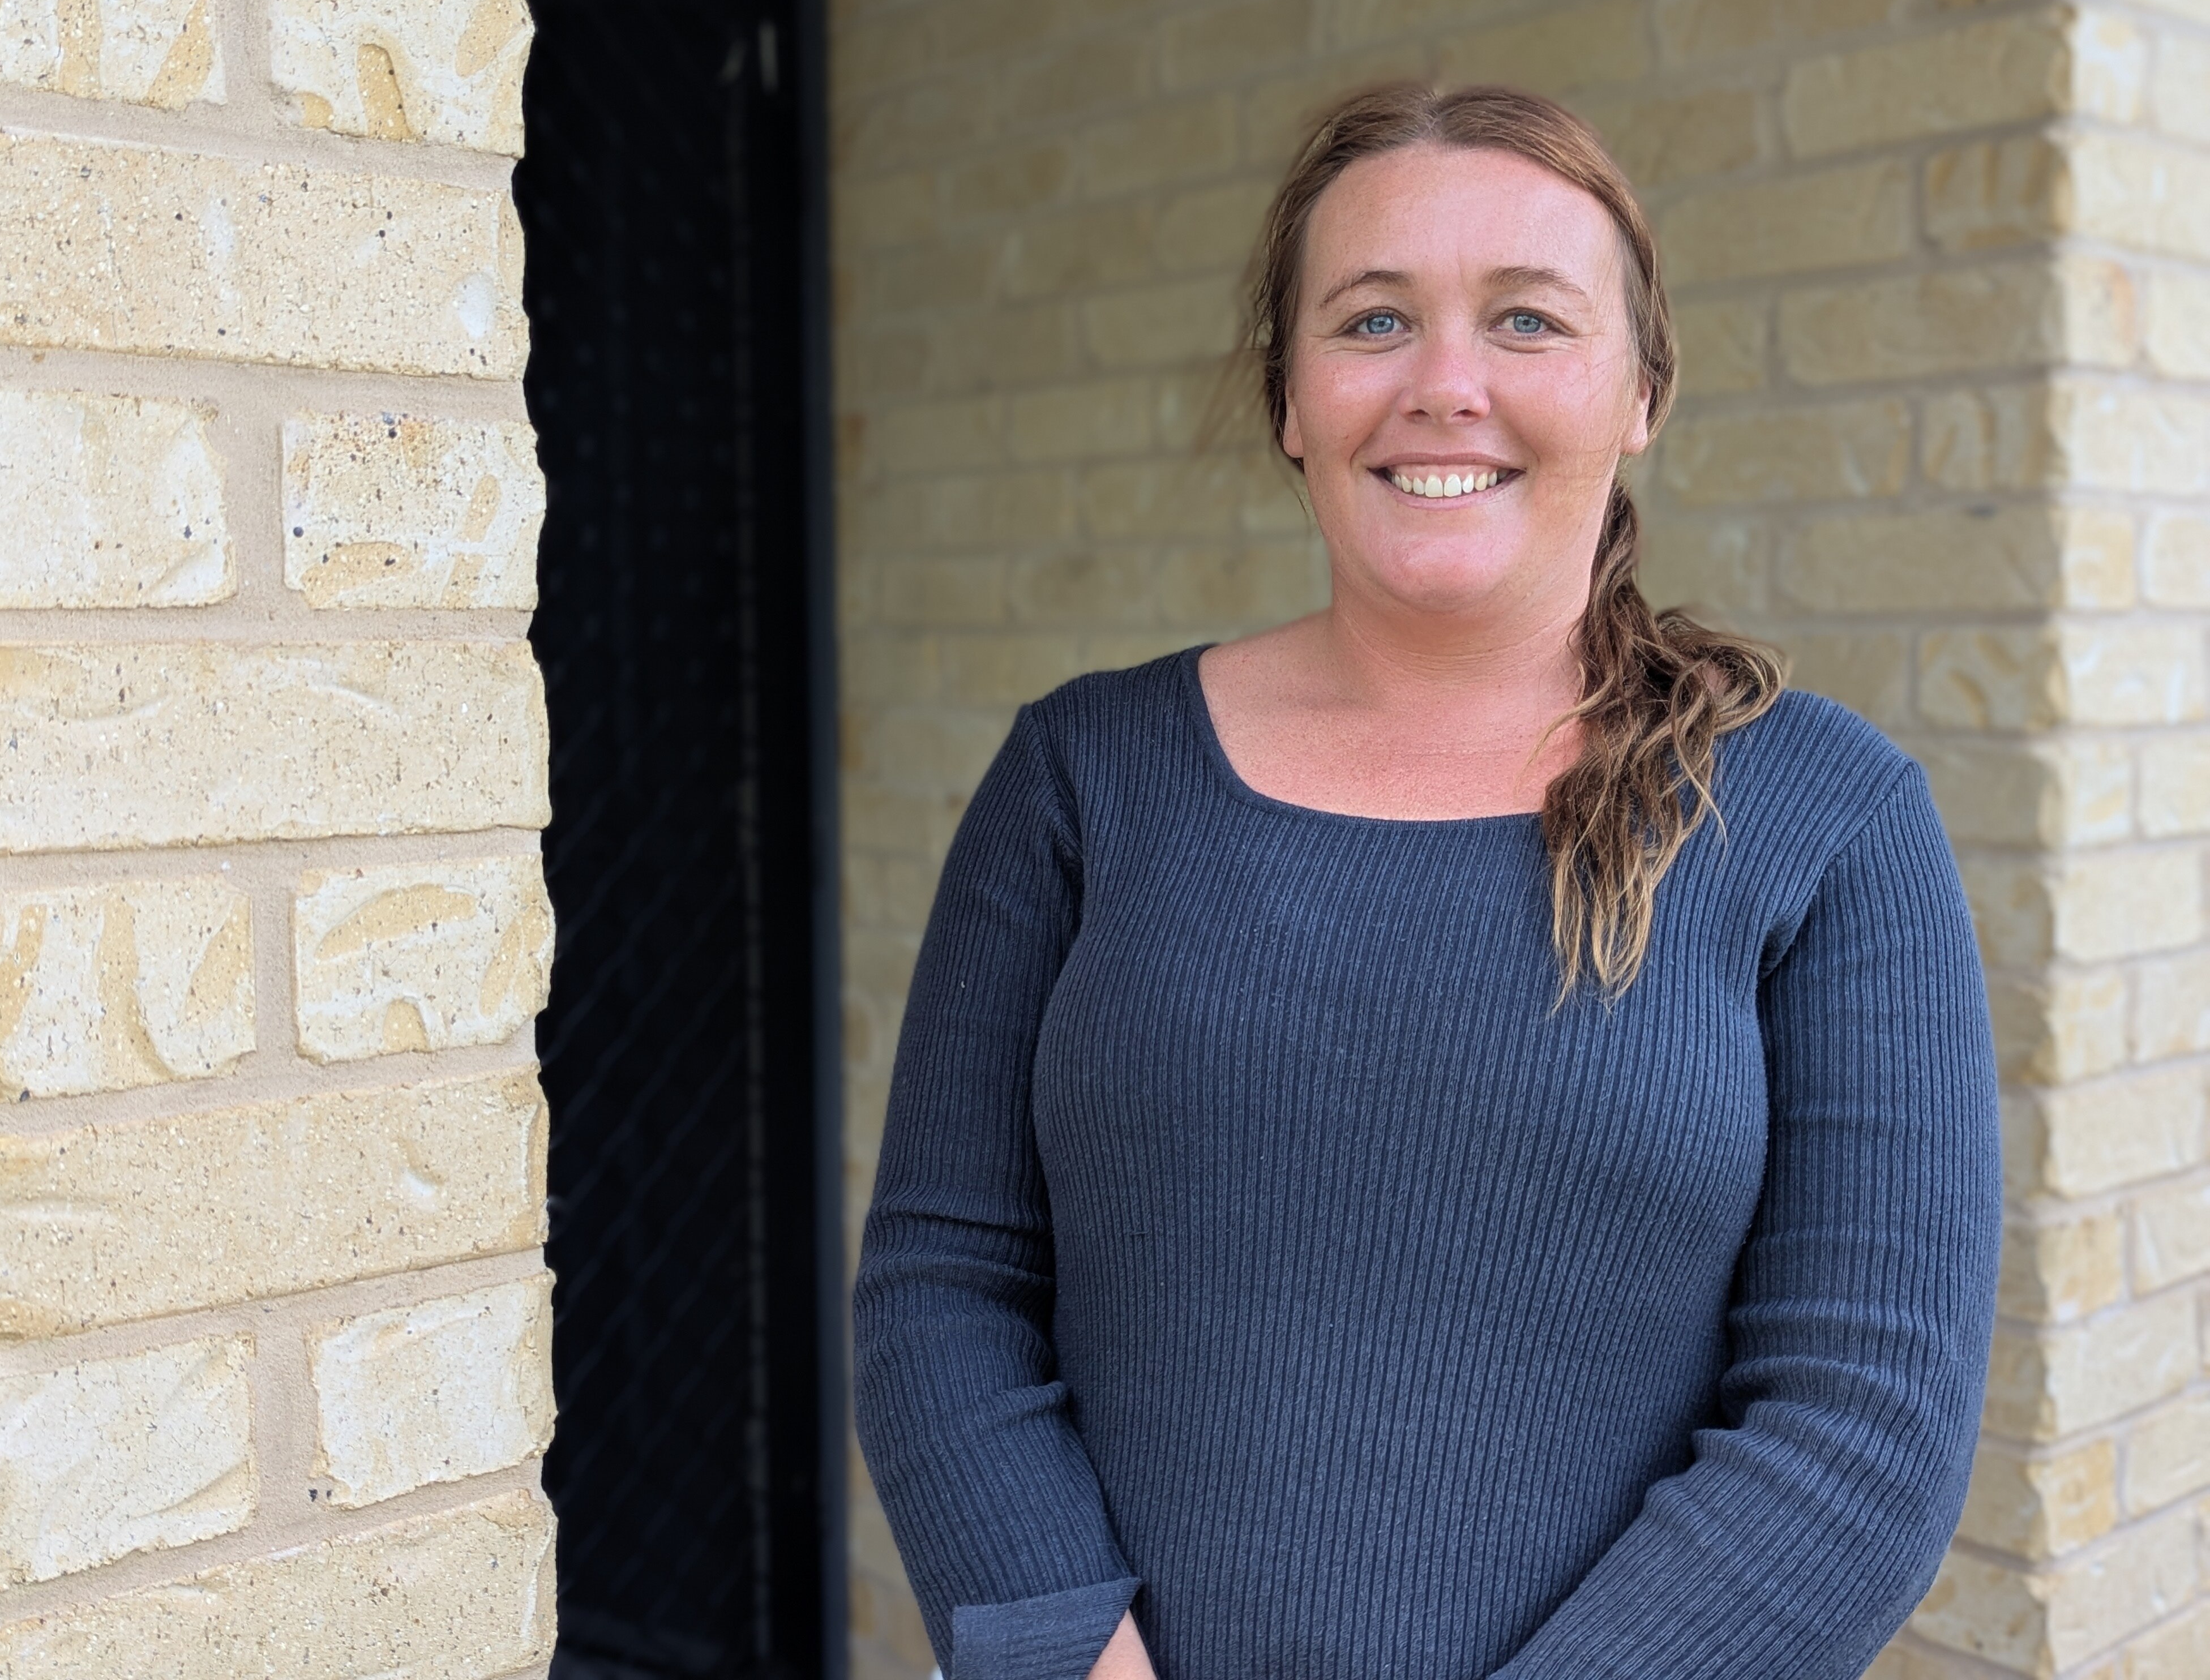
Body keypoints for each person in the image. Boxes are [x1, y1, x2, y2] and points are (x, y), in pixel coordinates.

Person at [852, 82, 1999, 1680]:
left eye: (1528, 322)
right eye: (1374, 319)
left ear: (1641, 390)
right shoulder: (1082, 782)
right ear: (1290, 400)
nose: (1444, 386)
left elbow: (1861, 1433)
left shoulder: (1827, 822)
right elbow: (945, 1286)